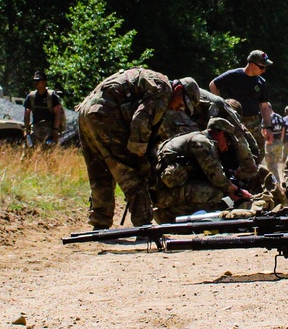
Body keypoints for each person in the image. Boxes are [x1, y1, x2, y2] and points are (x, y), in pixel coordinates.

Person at [77, 68, 195, 229]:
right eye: (181, 105)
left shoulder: (154, 81)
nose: (177, 109)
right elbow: (140, 121)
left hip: (87, 111)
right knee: (130, 171)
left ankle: (100, 219)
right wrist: (139, 155)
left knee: (99, 169)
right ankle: (143, 221)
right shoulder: (164, 90)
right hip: (107, 113)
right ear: (179, 89)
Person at [151, 117, 252, 224]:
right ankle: (169, 217)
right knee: (216, 194)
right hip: (163, 194)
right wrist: (236, 191)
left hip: (165, 193)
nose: (227, 147)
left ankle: (170, 215)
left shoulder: (196, 138)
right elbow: (217, 177)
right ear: (221, 135)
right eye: (228, 141)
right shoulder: (202, 142)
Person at [209, 50, 276, 158]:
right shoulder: (233, 75)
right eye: (262, 67)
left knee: (259, 153)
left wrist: (268, 127)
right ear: (252, 65)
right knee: (235, 152)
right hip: (235, 122)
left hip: (254, 124)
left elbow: (264, 106)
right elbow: (213, 85)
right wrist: (221, 105)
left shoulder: (261, 82)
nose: (264, 71)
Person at [22, 71, 64, 146]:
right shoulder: (31, 97)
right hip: (35, 129)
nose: (36, 83)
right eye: (34, 81)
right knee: (29, 149)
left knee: (49, 150)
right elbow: (27, 113)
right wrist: (26, 130)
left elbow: (58, 114)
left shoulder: (52, 97)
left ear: (44, 82)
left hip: (49, 130)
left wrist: (55, 130)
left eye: (38, 80)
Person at [265, 105, 284, 181]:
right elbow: (283, 128)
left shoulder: (267, 118)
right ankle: (280, 179)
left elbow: (265, 131)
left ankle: (276, 182)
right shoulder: (279, 117)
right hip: (279, 142)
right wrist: (281, 140)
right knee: (276, 164)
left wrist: (267, 139)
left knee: (271, 165)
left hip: (271, 143)